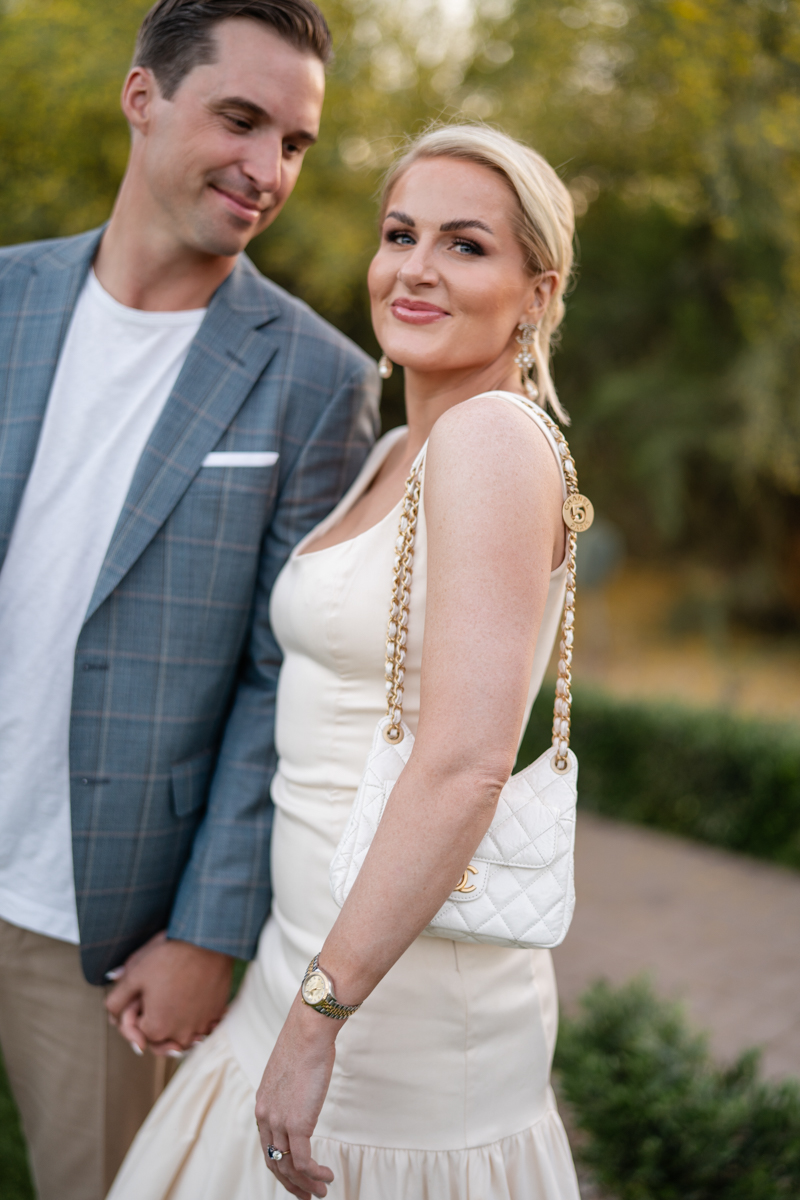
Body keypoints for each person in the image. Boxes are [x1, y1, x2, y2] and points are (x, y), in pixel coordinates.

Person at [109, 122, 582, 1200]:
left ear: (535, 291)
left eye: (464, 246)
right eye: (398, 233)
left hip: (391, 1015)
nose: (414, 268)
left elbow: (463, 763)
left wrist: (322, 1017)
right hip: (299, 965)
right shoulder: (396, 448)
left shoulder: (493, 442)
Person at [0, 1, 379, 1197]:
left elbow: (286, 681)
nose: (268, 171)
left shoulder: (318, 381)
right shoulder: (6, 300)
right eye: (241, 119)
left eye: (295, 144)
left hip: (100, 926)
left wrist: (208, 930)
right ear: (141, 97)